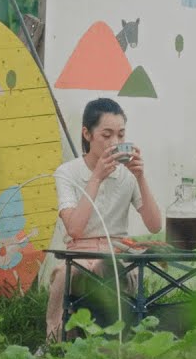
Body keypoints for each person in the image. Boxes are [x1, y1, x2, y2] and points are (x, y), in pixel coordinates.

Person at [46, 98, 162, 341]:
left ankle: (116, 340)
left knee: (106, 267)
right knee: (66, 274)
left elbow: (155, 225)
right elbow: (75, 229)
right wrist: (96, 178)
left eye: (121, 135)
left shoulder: (127, 175)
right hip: (80, 255)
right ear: (87, 134)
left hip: (118, 253)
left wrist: (141, 178)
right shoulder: (67, 172)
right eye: (107, 135)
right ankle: (55, 341)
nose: (115, 143)